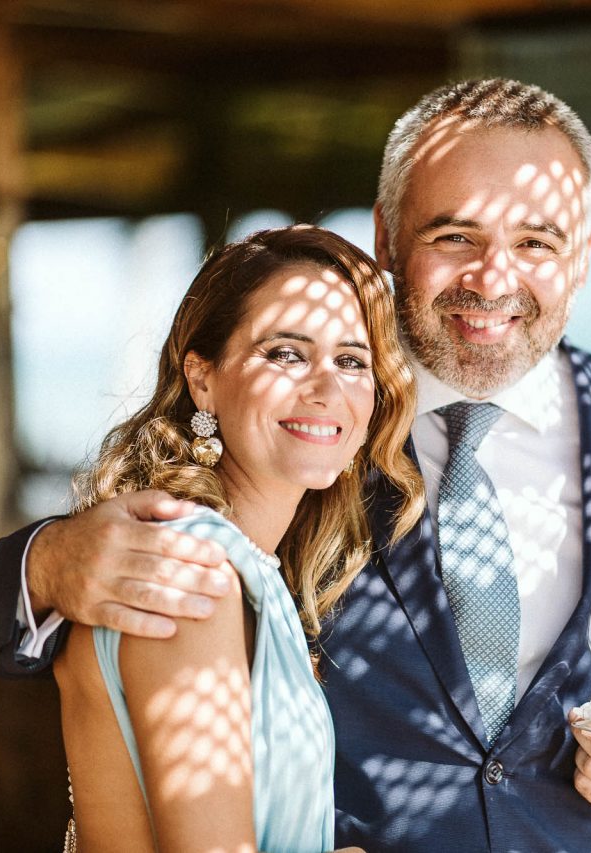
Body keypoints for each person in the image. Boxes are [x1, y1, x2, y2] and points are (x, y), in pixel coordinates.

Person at [0, 79, 591, 851]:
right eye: (455, 236)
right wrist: (45, 565)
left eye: (536, 241)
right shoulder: (314, 428)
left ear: (582, 256)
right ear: (388, 235)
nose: (493, 278)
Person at [48, 225, 423, 851]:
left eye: (353, 360)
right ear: (202, 379)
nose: (327, 387)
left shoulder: (246, 568)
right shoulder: (189, 573)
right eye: (285, 353)